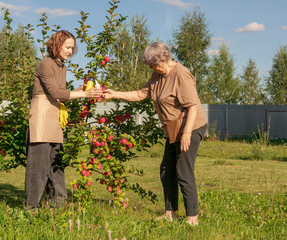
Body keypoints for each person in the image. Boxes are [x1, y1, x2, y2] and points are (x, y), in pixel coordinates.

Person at [102, 42, 207, 226]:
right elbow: (141, 94)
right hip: (173, 128)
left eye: (153, 65)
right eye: (150, 66)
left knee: (183, 170)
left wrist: (187, 133)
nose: (152, 68)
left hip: (191, 125)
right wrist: (114, 94)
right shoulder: (157, 75)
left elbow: (192, 106)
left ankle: (192, 218)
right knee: (166, 170)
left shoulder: (180, 74)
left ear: (164, 59)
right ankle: (170, 213)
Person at [25, 30, 103, 211]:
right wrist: (84, 93)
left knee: (55, 164)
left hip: (55, 116)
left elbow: (62, 94)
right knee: (39, 166)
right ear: (56, 45)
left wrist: (80, 89)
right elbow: (55, 93)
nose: (70, 51)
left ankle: (58, 206)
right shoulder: (45, 64)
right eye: (67, 47)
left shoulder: (61, 67)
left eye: (72, 48)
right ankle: (31, 208)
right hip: (42, 117)